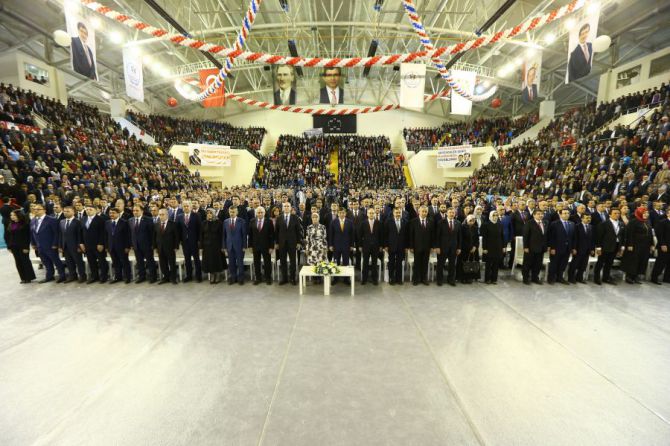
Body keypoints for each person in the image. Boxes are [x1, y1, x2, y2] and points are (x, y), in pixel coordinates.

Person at [30, 203, 66, 283]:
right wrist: (33, 243)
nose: (36, 211)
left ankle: (62, 275)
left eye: (38, 209)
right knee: (46, 262)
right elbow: (32, 232)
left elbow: (56, 233)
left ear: (44, 210)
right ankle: (50, 276)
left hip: (50, 245)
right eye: (34, 209)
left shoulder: (51, 220)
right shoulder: (33, 220)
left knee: (56, 261)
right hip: (39, 246)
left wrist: (55, 244)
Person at [621, 207, 654, 284]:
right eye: (645, 213)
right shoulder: (633, 222)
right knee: (633, 261)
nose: (647, 214)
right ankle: (629, 277)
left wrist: (652, 244)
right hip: (635, 245)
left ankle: (635, 276)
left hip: (645, 246)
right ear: (640, 213)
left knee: (642, 260)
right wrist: (630, 244)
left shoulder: (647, 222)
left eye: (647, 213)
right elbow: (629, 234)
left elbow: (650, 234)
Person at [593, 208, 623, 285]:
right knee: (600, 263)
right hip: (605, 246)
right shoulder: (604, 223)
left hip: (615, 245)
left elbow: (621, 235)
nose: (617, 215)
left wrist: (621, 247)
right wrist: (598, 247)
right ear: (610, 214)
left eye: (618, 213)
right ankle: (596, 278)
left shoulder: (620, 223)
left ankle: (606, 278)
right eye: (615, 213)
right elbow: (599, 236)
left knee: (609, 263)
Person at [275, 202, 302, 285]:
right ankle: (284, 278)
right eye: (285, 206)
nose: (286, 207)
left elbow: (298, 231)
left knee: (293, 261)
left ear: (290, 208)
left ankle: (293, 278)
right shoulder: (279, 218)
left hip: (292, 243)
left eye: (288, 206)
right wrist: (276, 243)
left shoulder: (295, 217)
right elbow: (276, 232)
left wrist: (298, 242)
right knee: (283, 261)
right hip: (282, 243)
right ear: (282, 208)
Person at [130, 205, 157, 284]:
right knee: (139, 262)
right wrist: (132, 244)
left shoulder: (148, 220)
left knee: (150, 261)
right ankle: (142, 276)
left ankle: (153, 277)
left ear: (142, 211)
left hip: (147, 245)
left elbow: (152, 233)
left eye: (137, 210)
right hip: (136, 245)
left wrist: (153, 244)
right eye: (134, 211)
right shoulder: (130, 220)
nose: (135, 212)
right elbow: (130, 234)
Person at [176, 201, 202, 283]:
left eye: (187, 206)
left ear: (190, 207)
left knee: (196, 259)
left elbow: (199, 229)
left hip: (194, 241)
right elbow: (178, 230)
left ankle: (198, 276)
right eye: (184, 206)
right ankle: (189, 276)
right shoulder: (179, 216)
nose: (186, 207)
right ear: (182, 207)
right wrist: (179, 240)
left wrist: (199, 240)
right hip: (184, 242)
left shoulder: (196, 215)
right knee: (187, 260)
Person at [7, 209, 35, 284]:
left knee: (25, 261)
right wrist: (9, 246)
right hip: (14, 246)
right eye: (11, 215)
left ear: (19, 215)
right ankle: (23, 278)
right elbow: (10, 237)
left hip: (23, 246)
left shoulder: (25, 224)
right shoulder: (11, 224)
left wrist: (26, 247)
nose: (12, 217)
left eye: (14, 215)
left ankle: (29, 277)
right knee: (18, 262)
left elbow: (27, 237)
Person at [59, 206, 86, 283]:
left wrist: (79, 246)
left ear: (73, 212)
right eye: (64, 211)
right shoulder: (62, 221)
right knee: (69, 262)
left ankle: (82, 276)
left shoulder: (78, 222)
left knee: (78, 262)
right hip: (65, 246)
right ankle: (72, 276)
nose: (66, 213)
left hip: (75, 246)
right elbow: (61, 235)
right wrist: (60, 245)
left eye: (68, 211)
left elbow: (79, 235)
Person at [547, 209, 574, 284]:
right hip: (556, 247)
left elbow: (573, 237)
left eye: (568, 213)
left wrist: (572, 248)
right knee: (554, 264)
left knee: (563, 264)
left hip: (567, 248)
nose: (566, 215)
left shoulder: (572, 224)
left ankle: (560, 277)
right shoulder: (554, 224)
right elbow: (551, 237)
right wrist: (552, 248)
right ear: (560, 214)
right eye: (564, 213)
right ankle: (551, 278)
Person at [435, 208, 461, 286]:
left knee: (452, 265)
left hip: (453, 247)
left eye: (453, 213)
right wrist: (437, 247)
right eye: (450, 212)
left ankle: (451, 280)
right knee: (440, 264)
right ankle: (439, 280)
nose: (451, 214)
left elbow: (459, 237)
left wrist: (459, 247)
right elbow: (437, 236)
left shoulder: (458, 223)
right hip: (442, 247)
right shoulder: (441, 222)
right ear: (446, 213)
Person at [82, 204, 108, 283]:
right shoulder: (83, 219)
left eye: (90, 209)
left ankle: (103, 276)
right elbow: (81, 232)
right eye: (87, 210)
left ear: (95, 210)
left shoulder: (100, 219)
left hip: (98, 244)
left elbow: (103, 232)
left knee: (101, 261)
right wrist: (81, 243)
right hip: (87, 244)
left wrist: (101, 243)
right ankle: (94, 276)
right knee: (91, 261)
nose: (88, 211)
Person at [248, 206, 274, 285]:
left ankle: (268, 278)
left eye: (261, 212)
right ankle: (258, 278)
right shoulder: (252, 221)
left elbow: (272, 235)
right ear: (256, 213)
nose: (260, 214)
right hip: (255, 246)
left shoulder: (269, 221)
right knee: (256, 263)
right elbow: (250, 235)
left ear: (264, 213)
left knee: (267, 262)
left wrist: (271, 247)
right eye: (258, 212)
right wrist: (250, 246)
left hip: (266, 246)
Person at [105, 207, 132, 284]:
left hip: (122, 246)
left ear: (118, 214)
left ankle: (127, 277)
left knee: (124, 262)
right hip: (111, 246)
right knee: (115, 262)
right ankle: (118, 277)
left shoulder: (124, 222)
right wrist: (107, 246)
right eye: (110, 213)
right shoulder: (107, 223)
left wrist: (127, 246)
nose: (111, 214)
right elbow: (106, 236)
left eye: (113, 213)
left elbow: (128, 235)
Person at [329, 207, 355, 284]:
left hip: (346, 246)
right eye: (340, 213)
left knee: (346, 262)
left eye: (343, 213)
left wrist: (352, 245)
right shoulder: (333, 222)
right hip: (336, 245)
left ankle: (346, 279)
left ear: (345, 213)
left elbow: (352, 235)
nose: (341, 214)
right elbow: (331, 234)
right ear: (338, 213)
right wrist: (330, 245)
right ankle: (335, 278)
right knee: (335, 262)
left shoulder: (350, 222)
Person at [409, 205, 433, 286]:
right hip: (416, 246)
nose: (424, 213)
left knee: (425, 263)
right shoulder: (413, 221)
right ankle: (416, 278)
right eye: (422, 211)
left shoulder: (431, 221)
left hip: (427, 246)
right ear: (419, 212)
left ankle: (424, 278)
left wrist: (432, 247)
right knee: (417, 263)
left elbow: (433, 235)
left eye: (425, 211)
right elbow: (411, 235)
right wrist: (411, 246)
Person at [567, 213, 594, 284]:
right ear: (582, 218)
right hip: (578, 249)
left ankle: (579, 277)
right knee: (574, 264)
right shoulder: (577, 226)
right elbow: (575, 238)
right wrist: (574, 248)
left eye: (589, 218)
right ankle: (571, 278)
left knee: (583, 265)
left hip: (587, 249)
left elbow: (592, 239)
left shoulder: (591, 227)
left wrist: (592, 249)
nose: (588, 219)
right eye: (586, 218)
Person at [154, 208, 179, 284]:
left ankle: (173, 278)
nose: (161, 216)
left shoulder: (173, 224)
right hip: (160, 247)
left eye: (163, 215)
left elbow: (176, 237)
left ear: (167, 215)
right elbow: (154, 237)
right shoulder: (156, 224)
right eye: (160, 215)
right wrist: (155, 247)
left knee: (172, 263)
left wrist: (176, 246)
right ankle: (166, 277)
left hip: (170, 247)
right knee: (163, 264)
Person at [522, 209, 547, 285]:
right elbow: (525, 236)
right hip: (530, 247)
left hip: (541, 247)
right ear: (534, 215)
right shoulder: (529, 223)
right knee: (527, 264)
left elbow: (545, 235)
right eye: (538, 214)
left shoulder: (544, 223)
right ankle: (525, 278)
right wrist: (525, 247)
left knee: (538, 264)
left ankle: (535, 278)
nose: (540, 215)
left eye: (542, 214)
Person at [223, 206, 247, 285]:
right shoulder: (226, 221)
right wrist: (224, 247)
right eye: (230, 212)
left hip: (239, 246)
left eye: (233, 212)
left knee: (240, 263)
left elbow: (244, 235)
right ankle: (233, 277)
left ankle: (241, 278)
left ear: (237, 212)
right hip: (229, 245)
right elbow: (224, 235)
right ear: (229, 212)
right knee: (231, 263)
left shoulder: (241, 221)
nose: (232, 213)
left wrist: (244, 246)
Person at [359, 207, 383, 285]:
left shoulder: (378, 223)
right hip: (366, 246)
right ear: (367, 214)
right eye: (370, 213)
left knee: (374, 263)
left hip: (376, 246)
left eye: (373, 213)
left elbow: (381, 235)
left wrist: (380, 246)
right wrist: (360, 245)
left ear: (375, 214)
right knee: (365, 262)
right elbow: (360, 235)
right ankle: (364, 279)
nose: (371, 214)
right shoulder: (363, 223)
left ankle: (374, 279)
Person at [200, 209, 225, 284]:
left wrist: (222, 246)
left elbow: (222, 235)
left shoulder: (219, 223)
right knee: (209, 261)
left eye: (211, 213)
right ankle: (212, 275)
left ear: (214, 214)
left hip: (217, 245)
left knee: (216, 260)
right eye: (208, 213)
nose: (209, 214)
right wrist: (201, 247)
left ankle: (217, 275)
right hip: (207, 246)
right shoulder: (204, 223)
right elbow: (201, 236)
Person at [384, 207, 407, 285]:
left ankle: (399, 278)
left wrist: (406, 247)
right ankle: (391, 278)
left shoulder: (404, 221)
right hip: (391, 245)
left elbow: (407, 235)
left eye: (399, 212)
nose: (398, 214)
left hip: (401, 246)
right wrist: (386, 245)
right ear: (393, 213)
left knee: (399, 263)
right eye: (396, 213)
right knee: (391, 263)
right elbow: (385, 234)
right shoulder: (388, 221)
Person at [481, 210, 505, 284]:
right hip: (489, 247)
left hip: (498, 246)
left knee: (496, 264)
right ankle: (487, 279)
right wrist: (484, 248)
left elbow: (502, 236)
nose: (495, 217)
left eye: (496, 215)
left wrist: (504, 246)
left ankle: (494, 279)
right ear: (490, 216)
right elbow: (484, 237)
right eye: (494, 215)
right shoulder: (486, 224)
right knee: (488, 264)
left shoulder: (500, 224)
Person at [305, 212, 328, 284]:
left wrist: (325, 248)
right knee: (313, 263)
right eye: (313, 217)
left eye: (316, 217)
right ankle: (314, 278)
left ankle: (320, 277)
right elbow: (307, 239)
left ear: (319, 218)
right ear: (311, 219)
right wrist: (307, 248)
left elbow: (324, 238)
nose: (315, 218)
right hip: (312, 248)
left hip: (320, 247)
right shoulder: (309, 227)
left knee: (320, 262)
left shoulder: (323, 227)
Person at [650, 208, 670, 284]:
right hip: (664, 245)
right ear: (667, 213)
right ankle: (654, 277)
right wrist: (662, 244)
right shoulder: (663, 222)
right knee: (661, 262)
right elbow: (659, 234)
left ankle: (667, 278)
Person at [458, 214, 479, 283]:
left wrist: (475, 246)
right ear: (467, 220)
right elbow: (461, 238)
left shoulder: (475, 228)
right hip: (464, 249)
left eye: (473, 221)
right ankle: (463, 278)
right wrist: (465, 247)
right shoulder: (462, 227)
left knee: (471, 263)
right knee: (464, 263)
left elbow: (477, 239)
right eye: (470, 220)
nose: (472, 222)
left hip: (473, 249)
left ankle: (470, 277)